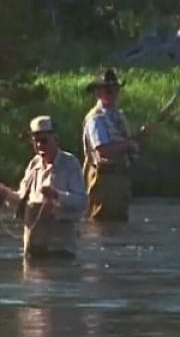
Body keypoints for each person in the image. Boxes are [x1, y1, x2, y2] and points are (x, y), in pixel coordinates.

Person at [0, 116, 86, 260]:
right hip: (34, 248)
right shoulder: (34, 165)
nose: (39, 145)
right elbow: (22, 201)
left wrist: (57, 195)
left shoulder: (70, 164)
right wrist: (6, 194)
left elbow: (81, 201)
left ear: (56, 140)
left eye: (44, 141)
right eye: (35, 141)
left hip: (60, 249)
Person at [83, 68, 143, 222]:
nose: (114, 95)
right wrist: (128, 144)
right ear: (98, 94)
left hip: (120, 180)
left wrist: (137, 141)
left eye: (116, 90)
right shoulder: (95, 119)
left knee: (119, 223)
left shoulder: (120, 116)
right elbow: (103, 151)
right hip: (103, 180)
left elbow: (125, 145)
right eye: (109, 91)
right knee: (100, 225)